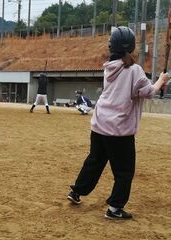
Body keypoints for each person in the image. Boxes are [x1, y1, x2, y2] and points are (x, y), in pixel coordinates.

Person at [67, 27, 170, 220]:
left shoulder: (110, 67)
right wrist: (161, 80)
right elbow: (147, 92)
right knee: (124, 171)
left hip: (99, 124)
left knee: (94, 161)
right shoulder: (134, 69)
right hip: (119, 130)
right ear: (131, 46)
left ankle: (76, 191)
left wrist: (154, 84)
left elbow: (136, 90)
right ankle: (114, 209)